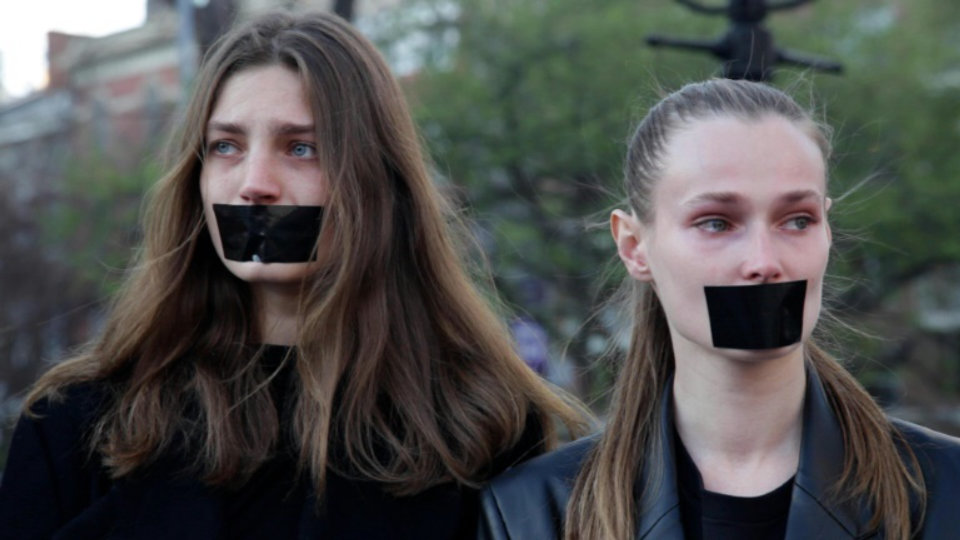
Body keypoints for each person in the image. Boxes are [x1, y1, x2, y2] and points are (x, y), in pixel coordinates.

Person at [0, 10, 587, 539]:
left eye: (301, 148)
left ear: (376, 181)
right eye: (226, 146)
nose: (255, 182)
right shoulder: (81, 424)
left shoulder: (484, 425)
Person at [477, 79, 960, 539]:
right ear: (634, 246)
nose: (764, 262)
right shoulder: (533, 512)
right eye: (716, 223)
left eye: (797, 220)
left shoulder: (945, 489)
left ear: (827, 232)